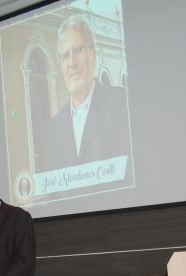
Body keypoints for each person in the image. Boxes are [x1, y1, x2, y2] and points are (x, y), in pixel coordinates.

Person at [41, 14, 131, 177]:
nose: (72, 63)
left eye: (78, 50)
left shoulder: (122, 104)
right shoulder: (53, 129)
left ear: (93, 54)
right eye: (65, 56)